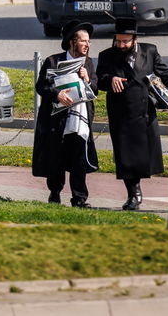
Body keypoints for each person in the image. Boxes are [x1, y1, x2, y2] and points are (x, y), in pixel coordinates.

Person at [94, 17, 168, 210]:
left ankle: (137, 188)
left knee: (144, 155)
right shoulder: (107, 55)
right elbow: (98, 80)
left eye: (125, 41)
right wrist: (110, 79)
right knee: (125, 156)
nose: (121, 44)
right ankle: (133, 193)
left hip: (145, 112)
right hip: (121, 113)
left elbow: (166, 75)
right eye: (118, 41)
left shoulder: (149, 51)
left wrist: (167, 94)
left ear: (134, 39)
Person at [31, 21, 98, 207]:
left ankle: (79, 198)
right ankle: (55, 193)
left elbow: (95, 89)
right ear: (72, 42)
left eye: (89, 41)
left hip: (80, 120)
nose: (87, 45)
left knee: (79, 160)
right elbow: (41, 86)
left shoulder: (89, 63)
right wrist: (57, 94)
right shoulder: (53, 61)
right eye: (83, 41)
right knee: (56, 159)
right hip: (57, 121)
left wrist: (86, 78)